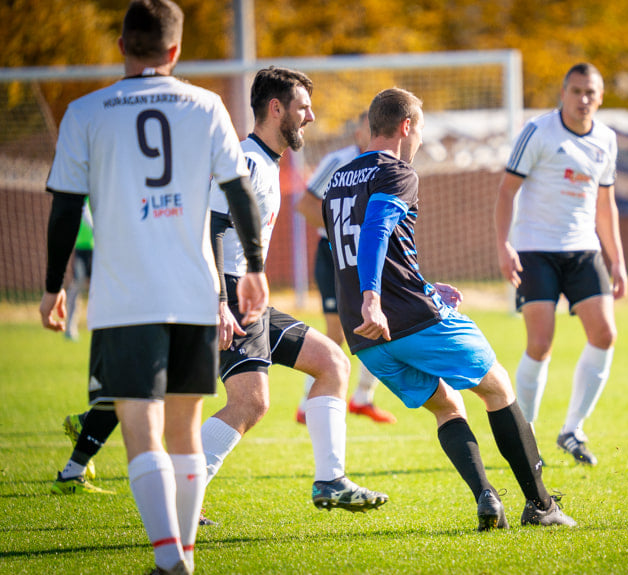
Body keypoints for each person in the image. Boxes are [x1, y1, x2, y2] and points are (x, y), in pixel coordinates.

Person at [39, 1, 269, 574]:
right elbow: (239, 193)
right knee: (186, 430)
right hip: (193, 290)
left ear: (120, 45)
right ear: (175, 51)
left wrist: (52, 287)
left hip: (123, 297)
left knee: (139, 427)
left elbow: (65, 209)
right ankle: (182, 556)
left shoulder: (85, 112)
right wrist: (258, 268)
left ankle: (171, 560)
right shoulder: (208, 105)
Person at [323, 87, 575, 529]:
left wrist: (412, 286)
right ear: (406, 127)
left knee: (447, 406)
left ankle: (486, 498)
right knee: (497, 388)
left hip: (364, 338)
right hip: (401, 317)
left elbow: (359, 250)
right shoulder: (397, 171)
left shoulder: (338, 180)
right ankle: (542, 507)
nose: (420, 141)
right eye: (420, 130)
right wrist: (374, 298)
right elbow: (375, 233)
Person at [202, 66, 388, 517]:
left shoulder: (264, 161)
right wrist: (220, 302)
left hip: (249, 299)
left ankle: (331, 481)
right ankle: (177, 491)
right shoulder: (245, 160)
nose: (311, 116)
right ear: (276, 108)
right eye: (303, 106)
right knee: (251, 402)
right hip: (227, 294)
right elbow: (209, 227)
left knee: (332, 362)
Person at [494, 63, 627, 467]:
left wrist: (616, 259)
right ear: (563, 93)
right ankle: (526, 433)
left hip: (583, 251)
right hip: (535, 250)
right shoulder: (538, 132)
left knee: (605, 334)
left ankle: (572, 429)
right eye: (576, 91)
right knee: (540, 343)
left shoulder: (606, 139)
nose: (583, 99)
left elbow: (606, 204)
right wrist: (504, 246)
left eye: (590, 92)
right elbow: (506, 192)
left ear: (600, 97)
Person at [295, 110, 397, 425]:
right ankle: (305, 404)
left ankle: (362, 398)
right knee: (336, 333)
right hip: (333, 255)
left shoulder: (386, 165)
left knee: (382, 321)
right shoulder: (339, 162)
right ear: (359, 131)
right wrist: (341, 232)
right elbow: (305, 204)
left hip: (365, 258)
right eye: (371, 128)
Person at [64, 200, 93, 341]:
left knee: (103, 286)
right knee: (77, 286)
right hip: (82, 248)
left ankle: (103, 324)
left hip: (99, 247)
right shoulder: (82, 195)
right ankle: (70, 327)